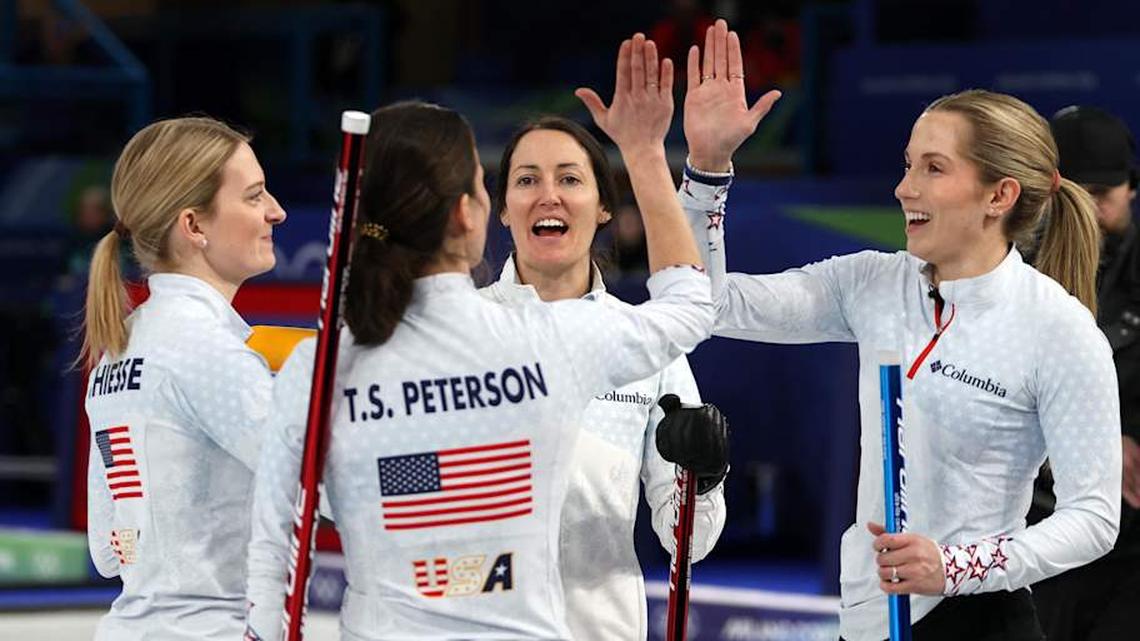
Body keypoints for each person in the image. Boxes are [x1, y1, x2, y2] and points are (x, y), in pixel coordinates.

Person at [244, 33, 715, 641]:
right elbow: (690, 305)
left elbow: (274, 551)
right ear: (471, 213)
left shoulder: (320, 366)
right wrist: (648, 153)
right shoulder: (553, 339)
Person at [686, 20, 1120, 641]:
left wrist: (955, 567)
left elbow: (1095, 517)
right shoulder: (873, 283)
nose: (903, 188)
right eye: (908, 164)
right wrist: (707, 168)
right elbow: (711, 304)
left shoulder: (1059, 328)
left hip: (973, 618)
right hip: (865, 619)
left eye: (933, 169)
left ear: (999, 195)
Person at [481, 113, 729, 640]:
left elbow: (688, 539)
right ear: (503, 209)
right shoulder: (457, 332)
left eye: (569, 179)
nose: (549, 195)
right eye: (527, 180)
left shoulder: (645, 343)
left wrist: (700, 481)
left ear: (602, 207)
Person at [80, 116, 287, 640]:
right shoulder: (207, 351)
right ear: (194, 226)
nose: (275, 212)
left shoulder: (119, 347)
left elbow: (108, 551)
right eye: (255, 196)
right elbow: (323, 486)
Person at [1027, 105, 1140, 641]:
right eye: (1075, 195)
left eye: (1104, 196)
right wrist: (1096, 440)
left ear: (1132, 188)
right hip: (1037, 532)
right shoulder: (1006, 275)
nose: (1089, 212)